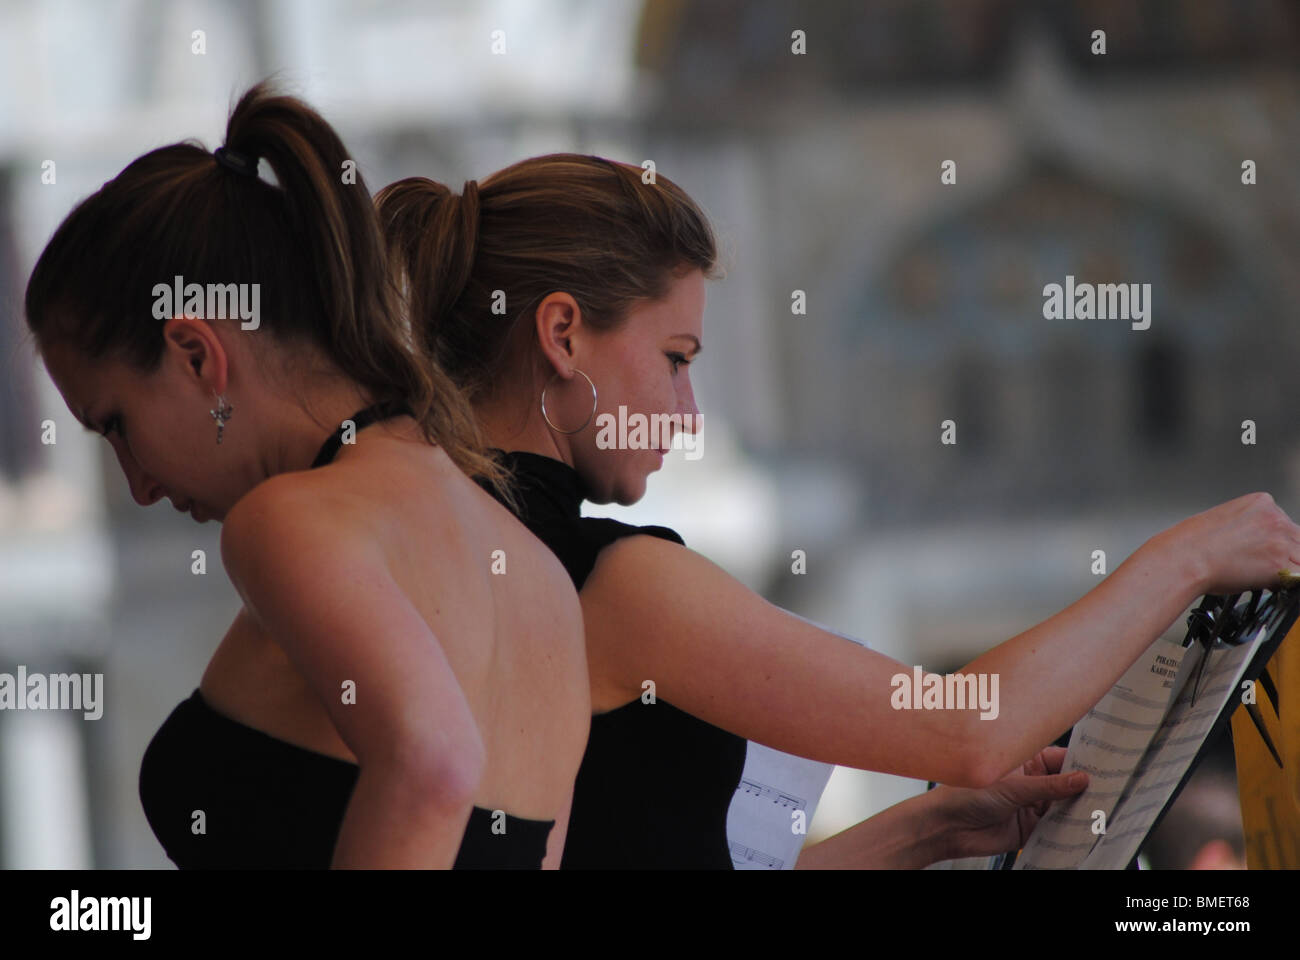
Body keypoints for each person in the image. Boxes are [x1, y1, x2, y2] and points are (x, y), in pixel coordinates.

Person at [377, 155, 1300, 868]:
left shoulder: (427, 536)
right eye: (676, 358)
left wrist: (921, 832)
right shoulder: (611, 582)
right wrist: (1189, 555)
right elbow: (967, 726)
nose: (689, 414)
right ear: (563, 334)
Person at [24, 85, 589, 869]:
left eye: (116, 425)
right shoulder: (540, 578)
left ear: (196, 354)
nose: (139, 485)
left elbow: (433, 764)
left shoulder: (292, 521)